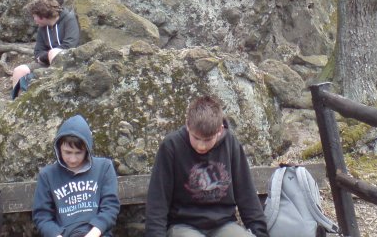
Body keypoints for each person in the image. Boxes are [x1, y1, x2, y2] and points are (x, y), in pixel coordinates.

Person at [144, 95, 268, 237]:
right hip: (182, 225)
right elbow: (158, 201)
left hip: (223, 224)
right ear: (187, 125)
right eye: (196, 138)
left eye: (208, 140)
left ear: (220, 130)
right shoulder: (171, 146)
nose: (201, 146)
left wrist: (260, 233)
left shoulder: (231, 143)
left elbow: (246, 193)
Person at [33, 114, 120, 237]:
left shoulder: (104, 167)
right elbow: (42, 217)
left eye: (78, 153)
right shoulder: (47, 175)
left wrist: (93, 234)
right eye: (67, 152)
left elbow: (110, 208)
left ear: (87, 150)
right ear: (59, 148)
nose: (73, 159)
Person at [11, 0, 80, 96]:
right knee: (19, 70)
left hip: (69, 62)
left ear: (42, 16)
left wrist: (46, 55)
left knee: (53, 52)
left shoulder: (69, 19)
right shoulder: (42, 28)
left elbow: (69, 46)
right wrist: (45, 56)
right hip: (47, 63)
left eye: (34, 16)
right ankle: (15, 102)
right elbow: (37, 52)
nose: (34, 20)